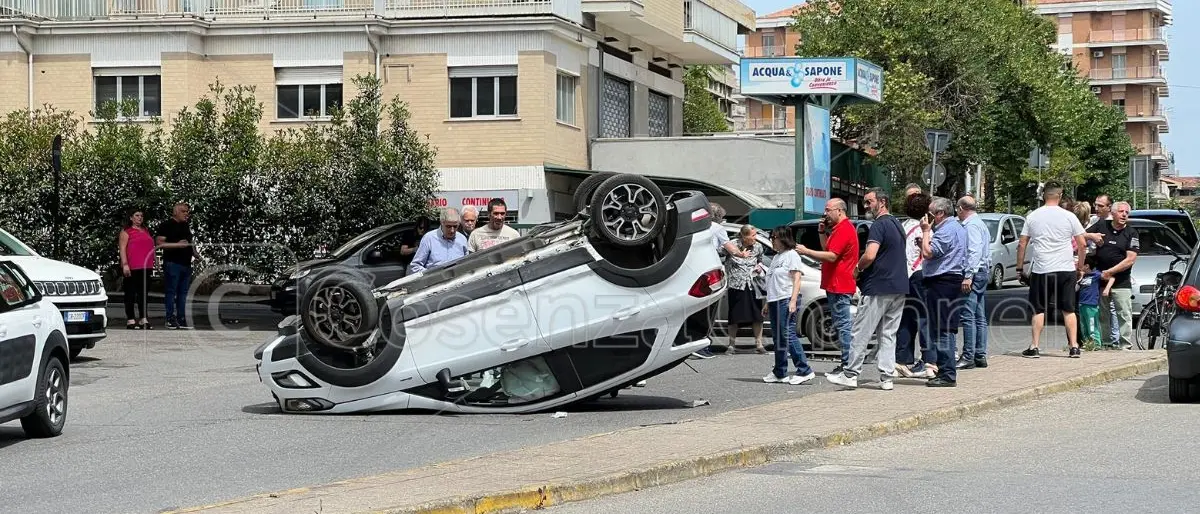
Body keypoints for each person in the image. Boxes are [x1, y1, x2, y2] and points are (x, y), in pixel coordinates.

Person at [826, 188, 908, 391]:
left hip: (878, 286)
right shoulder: (898, 224)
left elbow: (870, 255)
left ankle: (850, 374)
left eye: (869, 201)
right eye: (865, 202)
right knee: (888, 334)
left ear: (882, 201)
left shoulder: (879, 225)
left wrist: (857, 268)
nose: (866, 206)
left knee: (860, 331)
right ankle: (887, 377)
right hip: (899, 286)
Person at [1016, 182, 1087, 358]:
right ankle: (1074, 346)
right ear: (1060, 196)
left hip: (1042, 268)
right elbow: (1082, 243)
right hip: (1065, 267)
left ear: (1043, 196)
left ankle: (1034, 346)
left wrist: (1019, 268)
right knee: (1068, 309)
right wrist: (1080, 267)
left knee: (1039, 309)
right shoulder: (1069, 216)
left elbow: (1022, 243)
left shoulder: (1033, 216)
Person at [796, 198, 858, 375]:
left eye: (828, 210)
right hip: (834, 283)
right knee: (840, 324)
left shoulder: (845, 228)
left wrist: (806, 251)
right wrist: (822, 233)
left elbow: (831, 256)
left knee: (843, 325)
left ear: (840, 210)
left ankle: (848, 365)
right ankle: (847, 363)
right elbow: (827, 249)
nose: (825, 214)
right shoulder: (838, 229)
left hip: (840, 284)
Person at [919, 196, 968, 387]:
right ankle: (945, 370)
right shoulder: (956, 227)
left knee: (942, 328)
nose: (927, 217)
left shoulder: (946, 229)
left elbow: (929, 253)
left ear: (940, 213)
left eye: (930, 213)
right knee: (944, 327)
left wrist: (925, 233)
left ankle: (947, 373)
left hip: (943, 281)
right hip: (949, 279)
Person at [761, 227, 816, 385]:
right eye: (772, 237)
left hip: (786, 298)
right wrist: (767, 302)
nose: (772, 240)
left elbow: (796, 279)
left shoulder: (791, 255)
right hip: (775, 299)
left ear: (783, 238)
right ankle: (779, 371)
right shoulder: (777, 257)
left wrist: (793, 300)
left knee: (788, 334)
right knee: (778, 337)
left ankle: (804, 369)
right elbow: (773, 281)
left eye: (774, 237)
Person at [1084, 201, 1139, 349]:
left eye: (1127, 213)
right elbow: (1081, 235)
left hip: (1121, 280)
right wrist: (1092, 236)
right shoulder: (1102, 225)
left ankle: (1125, 345)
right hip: (1101, 279)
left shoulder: (1131, 233)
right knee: (1103, 313)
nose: (1124, 215)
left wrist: (1110, 272)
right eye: (1121, 212)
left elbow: (1130, 259)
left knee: (1124, 313)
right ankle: (1106, 344)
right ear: (1113, 213)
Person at [895, 189, 938, 379]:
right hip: (921, 274)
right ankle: (930, 362)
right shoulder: (925, 228)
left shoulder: (902, 227)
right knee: (925, 318)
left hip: (905, 276)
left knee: (906, 318)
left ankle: (900, 361)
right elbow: (930, 253)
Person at [956, 195, 991, 369]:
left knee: (967, 314)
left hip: (974, 273)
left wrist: (968, 275)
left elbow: (974, 251)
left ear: (962, 208)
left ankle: (969, 355)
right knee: (979, 315)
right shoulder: (980, 223)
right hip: (982, 272)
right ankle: (980, 354)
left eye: (957, 209)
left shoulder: (971, 226)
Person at [155, 202, 202, 330]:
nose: (187, 214)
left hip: (186, 263)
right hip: (172, 263)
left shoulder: (186, 225)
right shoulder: (167, 225)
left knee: (183, 293)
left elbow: (190, 241)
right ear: (176, 212)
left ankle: (181, 318)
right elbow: (159, 242)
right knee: (171, 291)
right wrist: (177, 245)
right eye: (184, 211)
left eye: (187, 212)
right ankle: (170, 318)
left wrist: (195, 253)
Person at [725, 224, 767, 354]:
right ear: (744, 236)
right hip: (736, 284)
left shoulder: (758, 247)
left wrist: (759, 267)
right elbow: (719, 252)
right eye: (752, 235)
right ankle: (731, 345)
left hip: (752, 284)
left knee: (757, 315)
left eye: (755, 235)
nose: (755, 238)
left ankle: (759, 344)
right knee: (734, 315)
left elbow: (760, 260)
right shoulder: (732, 245)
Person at [119, 209, 155, 330]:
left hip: (146, 266)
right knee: (130, 293)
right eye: (137, 215)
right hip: (132, 266)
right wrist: (125, 264)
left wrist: (155, 260)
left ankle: (143, 318)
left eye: (141, 216)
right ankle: (130, 319)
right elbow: (122, 249)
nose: (140, 218)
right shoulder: (126, 232)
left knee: (143, 294)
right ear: (131, 217)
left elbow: (150, 246)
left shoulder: (146, 231)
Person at [408, 208, 469, 274]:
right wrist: (432, 275)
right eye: (448, 226)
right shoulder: (429, 238)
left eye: (455, 226)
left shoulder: (462, 239)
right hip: (434, 282)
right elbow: (415, 266)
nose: (452, 230)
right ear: (441, 223)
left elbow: (466, 264)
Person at [1077, 256, 1109, 348]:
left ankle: (1096, 343)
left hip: (1091, 304)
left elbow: (1111, 278)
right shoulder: (1083, 276)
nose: (1079, 266)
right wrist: (1081, 275)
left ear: (1087, 266)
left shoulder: (1096, 274)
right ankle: (1087, 343)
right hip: (1082, 303)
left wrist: (1106, 289)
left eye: (1081, 264)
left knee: (1091, 324)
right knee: (1084, 325)